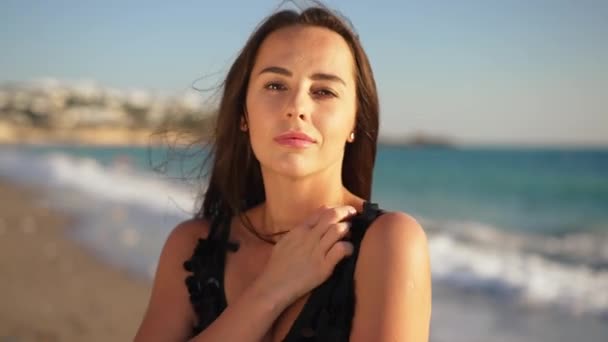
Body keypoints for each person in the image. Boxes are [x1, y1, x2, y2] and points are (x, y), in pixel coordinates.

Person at [135, 3, 431, 341]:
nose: (296, 108)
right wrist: (274, 288)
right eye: (275, 85)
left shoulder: (389, 242)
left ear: (355, 122)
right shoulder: (192, 247)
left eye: (323, 91)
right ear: (243, 114)